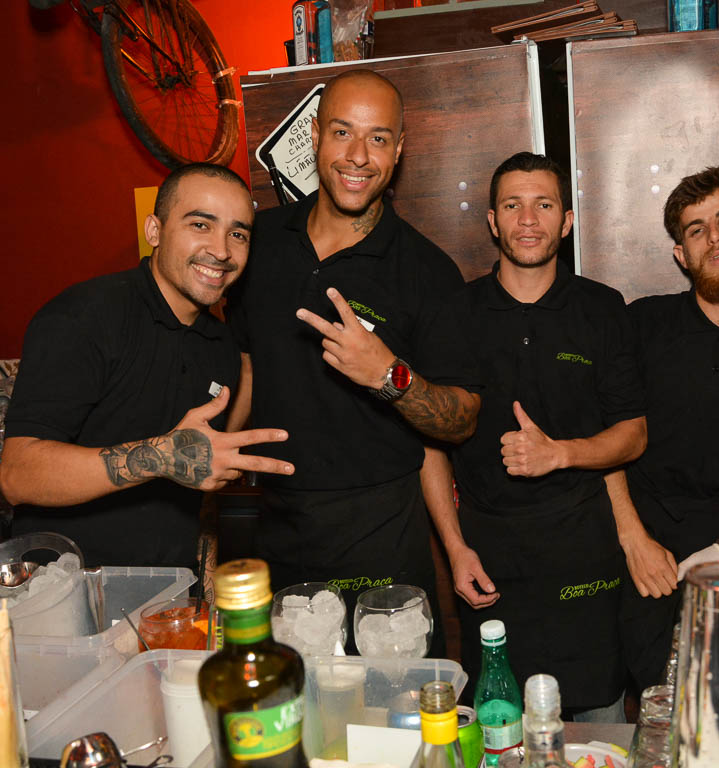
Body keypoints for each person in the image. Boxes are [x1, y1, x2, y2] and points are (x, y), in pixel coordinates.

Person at [224, 70, 481, 653]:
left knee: (399, 701)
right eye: (342, 132)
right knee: (294, 699)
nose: (358, 156)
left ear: (399, 149)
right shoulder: (258, 243)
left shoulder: (427, 272)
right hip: (278, 529)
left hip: (382, 535)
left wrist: (389, 377)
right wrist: (209, 464)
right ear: (315, 136)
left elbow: (461, 419)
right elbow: (249, 365)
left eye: (379, 138)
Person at [423, 152, 647, 719]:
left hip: (584, 552)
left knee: (599, 724)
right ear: (493, 221)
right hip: (488, 554)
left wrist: (559, 454)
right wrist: (455, 549)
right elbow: (430, 446)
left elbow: (633, 434)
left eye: (543, 205)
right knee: (499, 723)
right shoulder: (454, 312)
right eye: (513, 205)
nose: (528, 219)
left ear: (566, 221)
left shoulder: (602, 308)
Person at [0, 163, 294, 568]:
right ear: (154, 231)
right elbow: (17, 475)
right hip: (66, 589)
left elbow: (196, 482)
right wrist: (161, 456)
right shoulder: (85, 316)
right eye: (200, 225)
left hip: (170, 592)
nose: (222, 250)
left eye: (238, 234)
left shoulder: (220, 345)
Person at [611, 163, 719, 693]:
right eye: (697, 230)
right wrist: (633, 540)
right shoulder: (642, 325)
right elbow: (605, 439)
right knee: (656, 710)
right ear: (680, 254)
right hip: (647, 562)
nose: (715, 237)